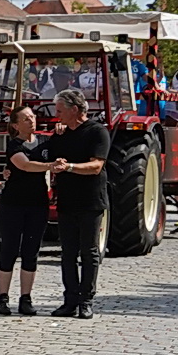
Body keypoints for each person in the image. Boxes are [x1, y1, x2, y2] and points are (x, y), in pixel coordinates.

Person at [45, 87, 110, 318]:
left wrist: (70, 167)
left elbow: (96, 166)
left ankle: (86, 301)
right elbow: (46, 156)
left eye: (60, 110)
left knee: (89, 252)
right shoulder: (61, 135)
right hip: (67, 200)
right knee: (68, 253)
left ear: (74, 109)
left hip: (90, 201)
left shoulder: (97, 132)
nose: (56, 115)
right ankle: (70, 300)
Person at [0, 106, 61, 315]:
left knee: (31, 252)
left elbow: (61, 146)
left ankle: (26, 298)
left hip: (37, 204)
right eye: (25, 119)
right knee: (9, 250)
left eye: (32, 117)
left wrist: (61, 131)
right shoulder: (14, 145)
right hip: (12, 204)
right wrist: (50, 166)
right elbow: (25, 165)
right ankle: (3, 298)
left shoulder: (44, 141)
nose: (31, 120)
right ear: (15, 125)